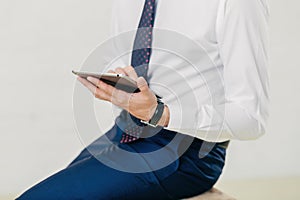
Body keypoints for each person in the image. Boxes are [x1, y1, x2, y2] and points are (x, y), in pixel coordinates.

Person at [17, 0, 269, 199]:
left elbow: (251, 118)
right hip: (126, 131)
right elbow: (124, 60)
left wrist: (160, 113)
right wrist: (116, 86)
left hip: (188, 153)